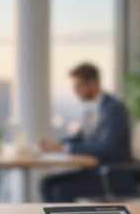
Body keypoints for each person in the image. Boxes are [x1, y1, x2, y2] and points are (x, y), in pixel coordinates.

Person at [38, 63, 133, 202]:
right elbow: (81, 137)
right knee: (47, 184)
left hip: (111, 175)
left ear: (92, 83)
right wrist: (57, 144)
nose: (76, 91)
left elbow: (106, 147)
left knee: (60, 190)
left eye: (79, 86)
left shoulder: (113, 109)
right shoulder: (95, 108)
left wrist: (65, 148)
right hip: (96, 171)